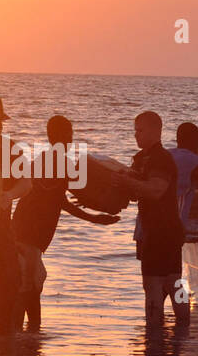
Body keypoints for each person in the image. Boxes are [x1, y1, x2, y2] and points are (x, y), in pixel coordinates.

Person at [10, 115, 120, 331]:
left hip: (30, 230)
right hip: (29, 230)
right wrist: (97, 215)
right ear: (60, 136)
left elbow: (61, 200)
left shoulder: (51, 160)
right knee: (29, 282)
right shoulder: (56, 161)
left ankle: (30, 333)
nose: (70, 139)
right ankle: (17, 332)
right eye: (68, 134)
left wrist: (95, 217)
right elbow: (75, 195)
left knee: (35, 281)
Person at [120, 112, 188, 326]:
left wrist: (126, 181)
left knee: (157, 285)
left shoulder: (161, 159)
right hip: (154, 231)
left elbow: (156, 190)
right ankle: (181, 333)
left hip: (163, 232)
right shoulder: (140, 159)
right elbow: (132, 193)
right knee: (173, 282)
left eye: (140, 130)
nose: (136, 135)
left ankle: (156, 335)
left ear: (155, 131)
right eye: (135, 130)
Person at [0, 98, 31, 337]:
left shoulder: (10, 148)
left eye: (1, 121)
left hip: (2, 228)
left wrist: (10, 194)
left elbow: (27, 183)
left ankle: (1, 334)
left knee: (10, 281)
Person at [168, 122, 198, 235]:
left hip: (147, 225)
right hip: (173, 227)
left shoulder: (164, 155)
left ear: (177, 139)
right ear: (197, 142)